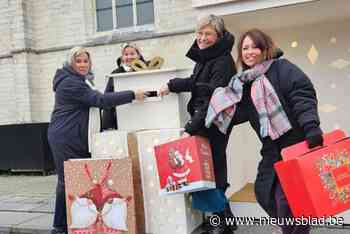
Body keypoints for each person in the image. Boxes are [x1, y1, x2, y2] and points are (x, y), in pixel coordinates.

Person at [206, 28, 324, 234]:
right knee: (263, 192)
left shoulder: (282, 69)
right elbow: (238, 114)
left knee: (286, 199)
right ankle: (292, 226)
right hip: (271, 148)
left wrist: (311, 127)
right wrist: (216, 106)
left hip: (295, 143)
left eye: (254, 46)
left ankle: (294, 229)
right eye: (245, 48)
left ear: (264, 48)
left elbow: (302, 96)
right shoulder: (243, 82)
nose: (249, 52)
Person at [48, 46, 146, 234]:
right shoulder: (70, 83)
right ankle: (59, 227)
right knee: (66, 180)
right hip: (66, 136)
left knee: (70, 179)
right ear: (71, 63)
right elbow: (99, 100)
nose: (83, 65)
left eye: (86, 61)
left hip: (73, 135)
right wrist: (132, 95)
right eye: (78, 61)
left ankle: (67, 224)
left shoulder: (81, 80)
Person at [159, 15, 237, 234]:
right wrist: (172, 85)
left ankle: (221, 221)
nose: (202, 38)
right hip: (207, 121)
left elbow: (212, 97)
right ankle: (225, 219)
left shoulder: (222, 61)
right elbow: (197, 84)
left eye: (208, 34)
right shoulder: (207, 57)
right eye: (200, 33)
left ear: (218, 36)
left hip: (213, 122)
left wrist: (192, 126)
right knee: (210, 169)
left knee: (214, 169)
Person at [102, 43, 147, 130]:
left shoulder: (147, 70)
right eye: (126, 54)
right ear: (122, 57)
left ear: (138, 55)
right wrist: (107, 125)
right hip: (123, 118)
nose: (129, 57)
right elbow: (107, 97)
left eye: (132, 54)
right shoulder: (115, 74)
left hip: (144, 115)